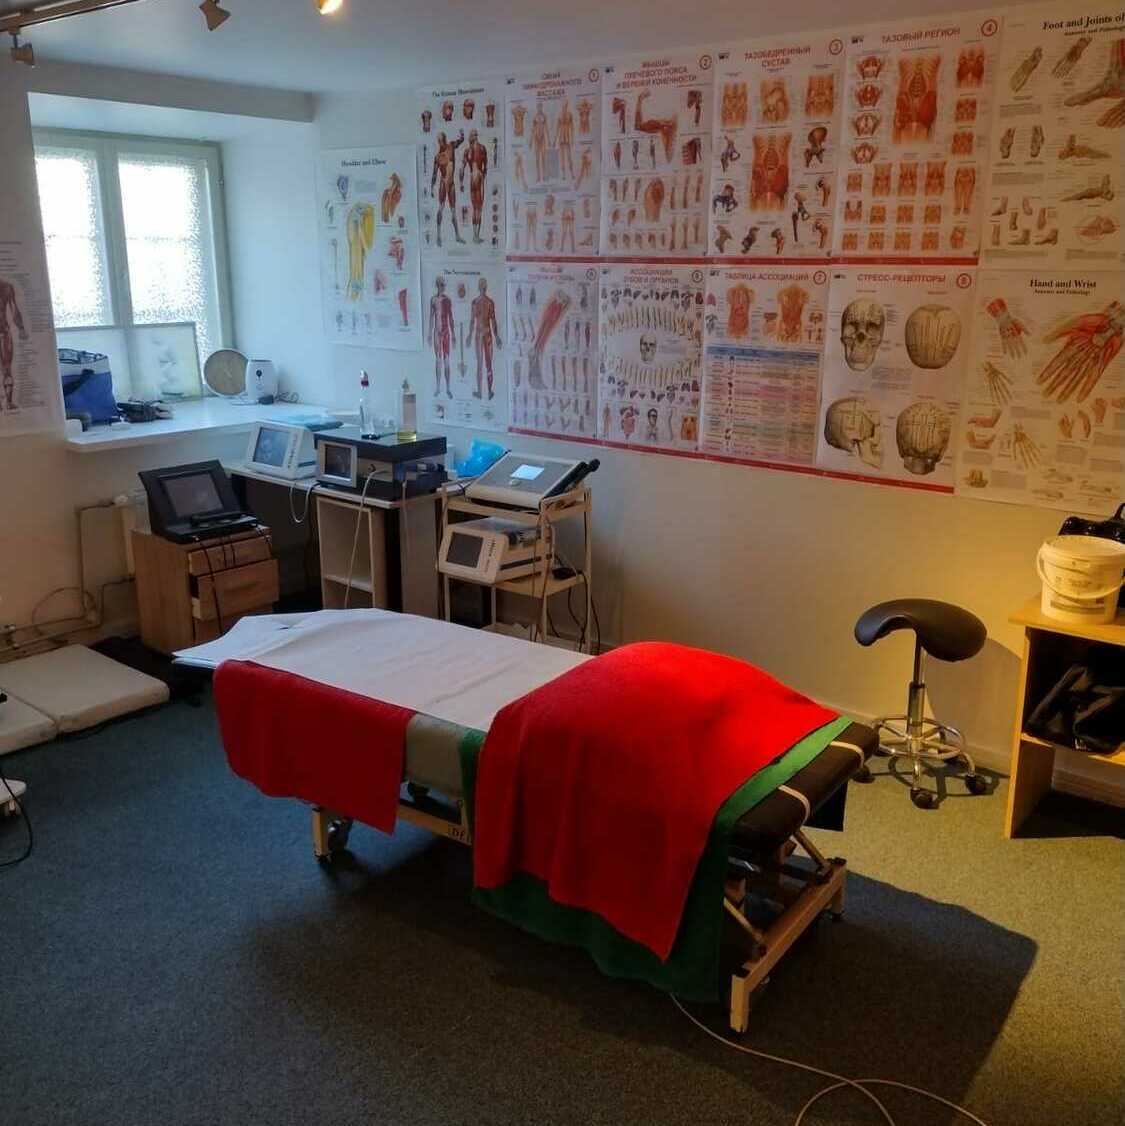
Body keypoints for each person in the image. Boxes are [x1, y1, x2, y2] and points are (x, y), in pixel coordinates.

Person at [468, 277, 502, 400]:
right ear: (485, 287)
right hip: (484, 334)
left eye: (482, 285)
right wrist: (496, 336)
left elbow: (492, 321)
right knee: (485, 364)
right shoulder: (485, 302)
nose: (482, 287)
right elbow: (474, 321)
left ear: (480, 287)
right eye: (483, 285)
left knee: (484, 364)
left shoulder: (480, 302)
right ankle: (486, 392)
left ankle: (485, 392)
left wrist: (497, 336)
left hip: (483, 334)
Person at [430, 131, 465, 248]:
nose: (440, 142)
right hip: (443, 183)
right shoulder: (437, 157)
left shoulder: (451, 146)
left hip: (451, 184)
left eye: (442, 140)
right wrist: (431, 187)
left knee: (453, 210)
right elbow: (434, 174)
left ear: (445, 139)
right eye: (439, 141)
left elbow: (460, 142)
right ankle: (438, 236)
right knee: (441, 208)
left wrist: (462, 135)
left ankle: (457, 236)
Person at [0, 277, 28, 411]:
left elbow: (14, 310)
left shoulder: (6, 287)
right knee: (6, 369)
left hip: (4, 334)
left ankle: (9, 402)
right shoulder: (6, 287)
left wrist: (21, 329)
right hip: (4, 334)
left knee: (7, 369)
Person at [427, 275, 455, 398]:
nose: (443, 287)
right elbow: (431, 317)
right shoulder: (433, 300)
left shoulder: (447, 300)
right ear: (437, 285)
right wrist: (429, 333)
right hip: (436, 333)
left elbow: (451, 317)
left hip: (446, 332)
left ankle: (448, 388)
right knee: (438, 360)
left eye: (444, 285)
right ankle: (438, 388)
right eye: (442, 285)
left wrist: (453, 335)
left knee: (447, 360)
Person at [460, 130, 489, 244]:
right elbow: (485, 166)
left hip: (472, 178)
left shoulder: (467, 151)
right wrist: (483, 177)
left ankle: (474, 236)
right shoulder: (482, 148)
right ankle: (476, 236)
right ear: (476, 137)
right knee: (479, 208)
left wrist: (461, 183)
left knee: (475, 208)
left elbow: (461, 169)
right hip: (479, 177)